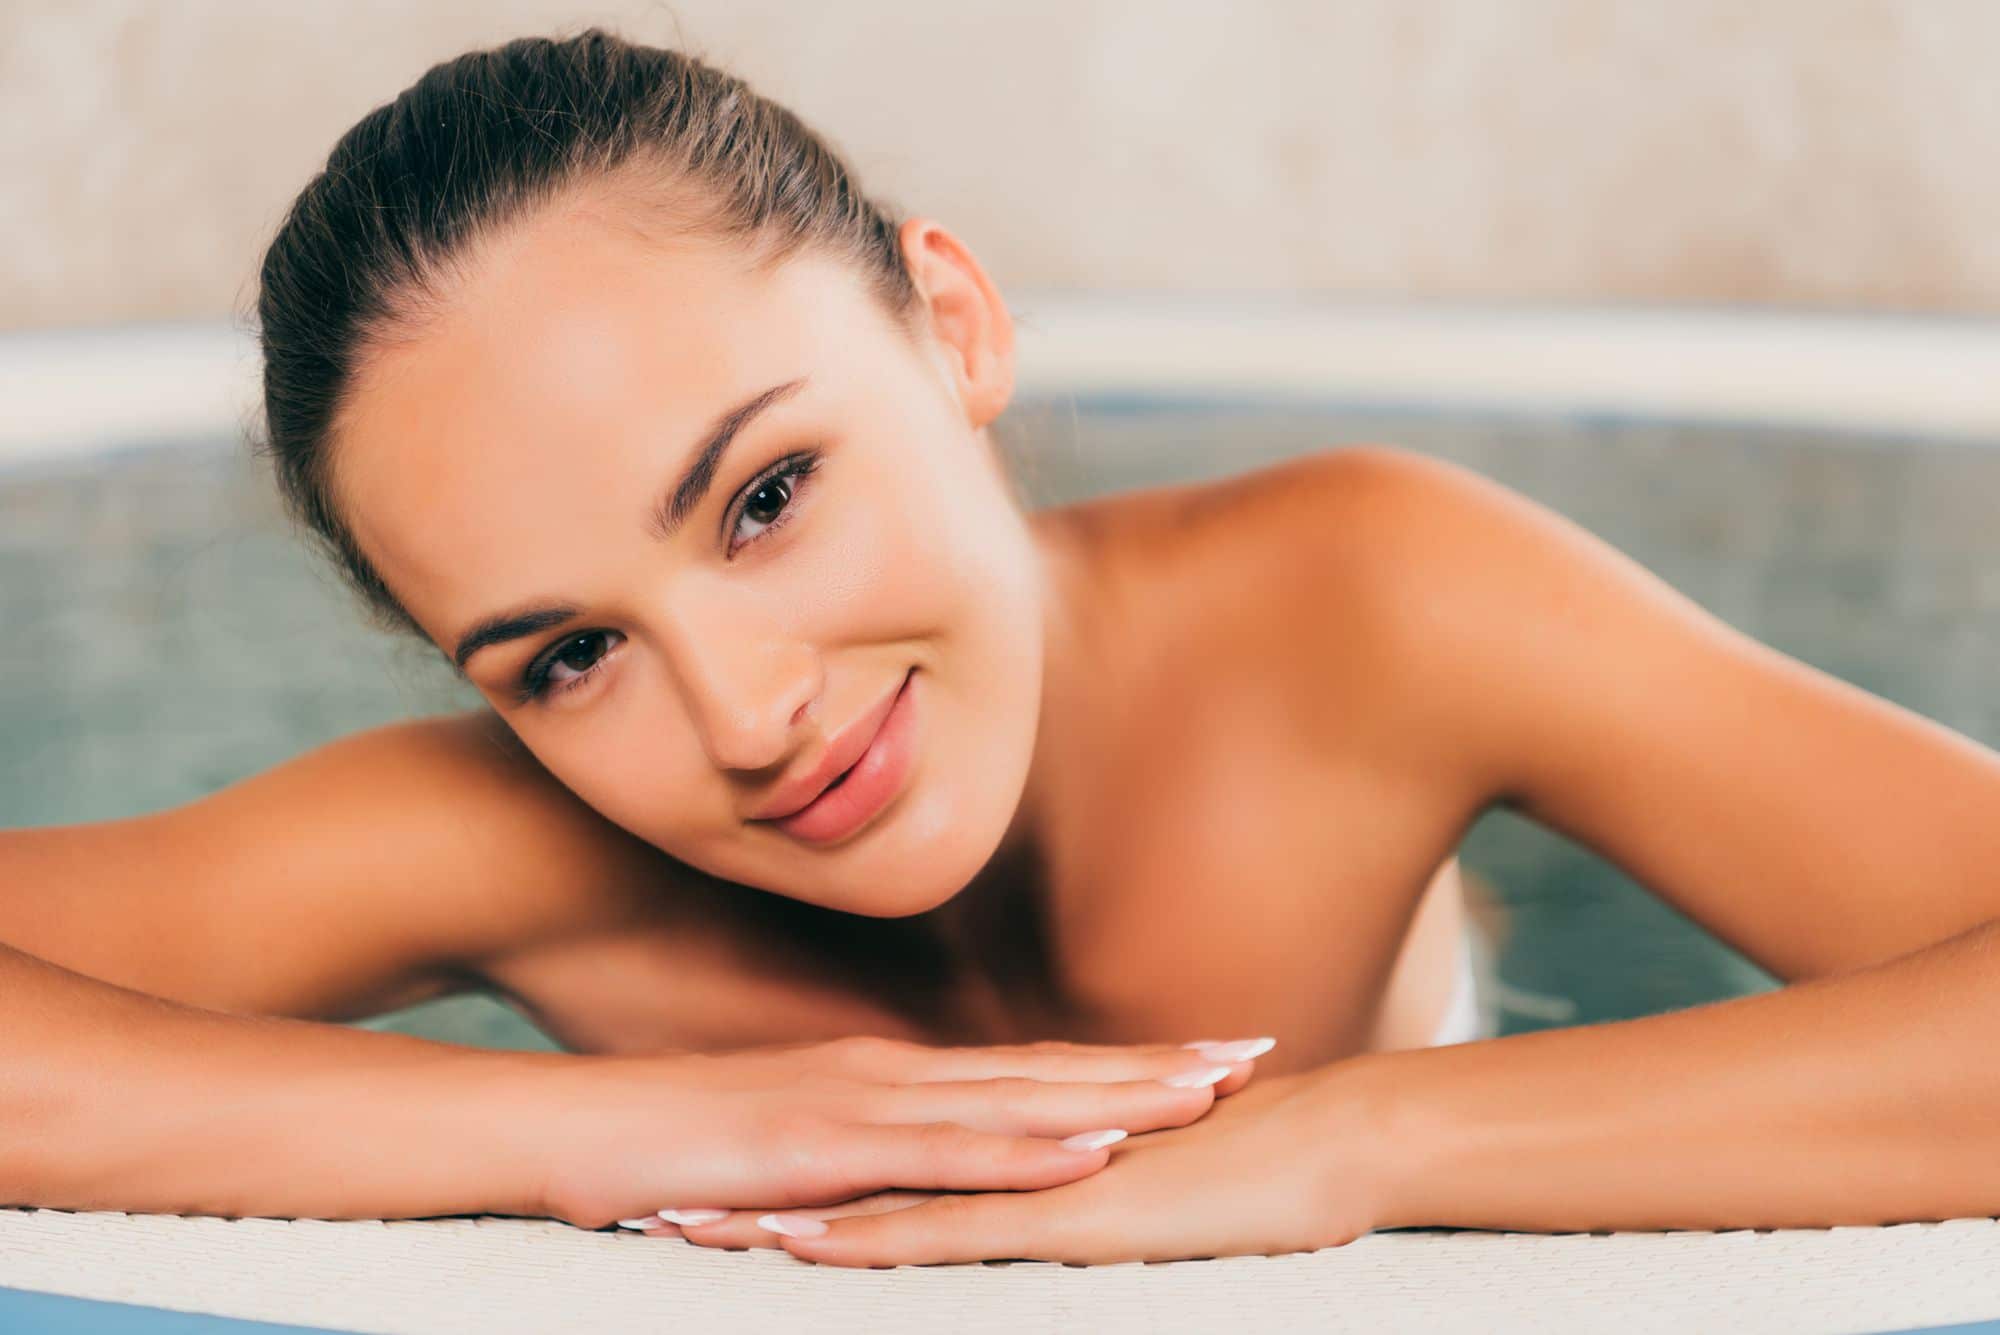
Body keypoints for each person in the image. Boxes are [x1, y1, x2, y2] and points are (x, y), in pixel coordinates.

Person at [14, 27, 2000, 1267]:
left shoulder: (1364, 608)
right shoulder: (509, 843)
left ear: (949, 321)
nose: (747, 712)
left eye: (768, 493)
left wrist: (1354, 1141)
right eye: (563, 656)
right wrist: (615, 1129)